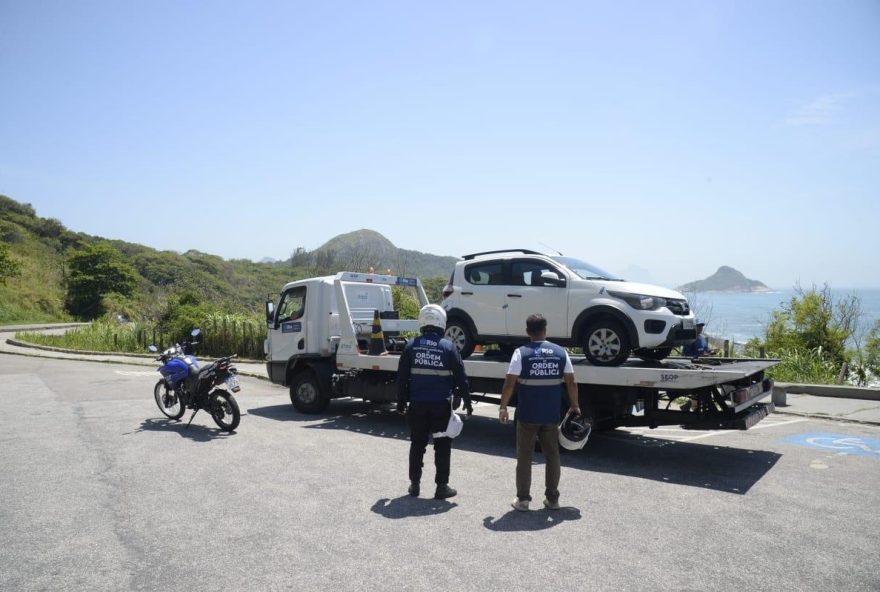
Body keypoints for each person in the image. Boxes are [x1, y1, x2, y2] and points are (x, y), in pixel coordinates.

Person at [499, 314, 580, 511]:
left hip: (527, 415)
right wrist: (574, 405)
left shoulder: (521, 353)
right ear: (545, 330)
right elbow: (571, 381)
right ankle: (552, 499)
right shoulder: (561, 352)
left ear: (527, 332)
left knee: (524, 457)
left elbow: (510, 382)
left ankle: (523, 500)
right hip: (551, 415)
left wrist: (503, 407)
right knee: (552, 456)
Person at [397, 304, 471, 499]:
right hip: (440, 406)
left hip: (417, 404)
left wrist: (401, 401)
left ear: (422, 322)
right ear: (441, 323)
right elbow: (461, 377)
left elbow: (402, 377)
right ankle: (441, 487)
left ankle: (414, 485)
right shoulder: (449, 347)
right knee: (442, 445)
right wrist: (468, 401)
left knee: (417, 444)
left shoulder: (411, 345)